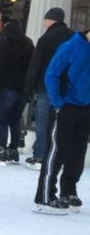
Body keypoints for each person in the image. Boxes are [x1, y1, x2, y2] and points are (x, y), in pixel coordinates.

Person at [35, 28, 90, 214]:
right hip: (65, 107)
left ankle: (69, 190)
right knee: (57, 151)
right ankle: (45, 196)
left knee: (78, 152)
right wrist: (58, 102)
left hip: (86, 108)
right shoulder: (70, 47)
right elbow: (51, 75)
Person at [23, 7, 72, 170]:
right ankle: (61, 155)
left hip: (46, 87)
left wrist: (28, 87)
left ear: (49, 20)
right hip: (68, 88)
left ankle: (41, 154)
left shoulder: (46, 39)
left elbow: (35, 65)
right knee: (62, 122)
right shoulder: (73, 37)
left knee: (43, 121)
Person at [0, 19, 34, 166]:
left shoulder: (3, 43)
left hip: (7, 87)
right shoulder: (28, 44)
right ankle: (13, 149)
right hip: (23, 89)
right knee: (15, 121)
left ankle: (2, 149)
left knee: (3, 120)